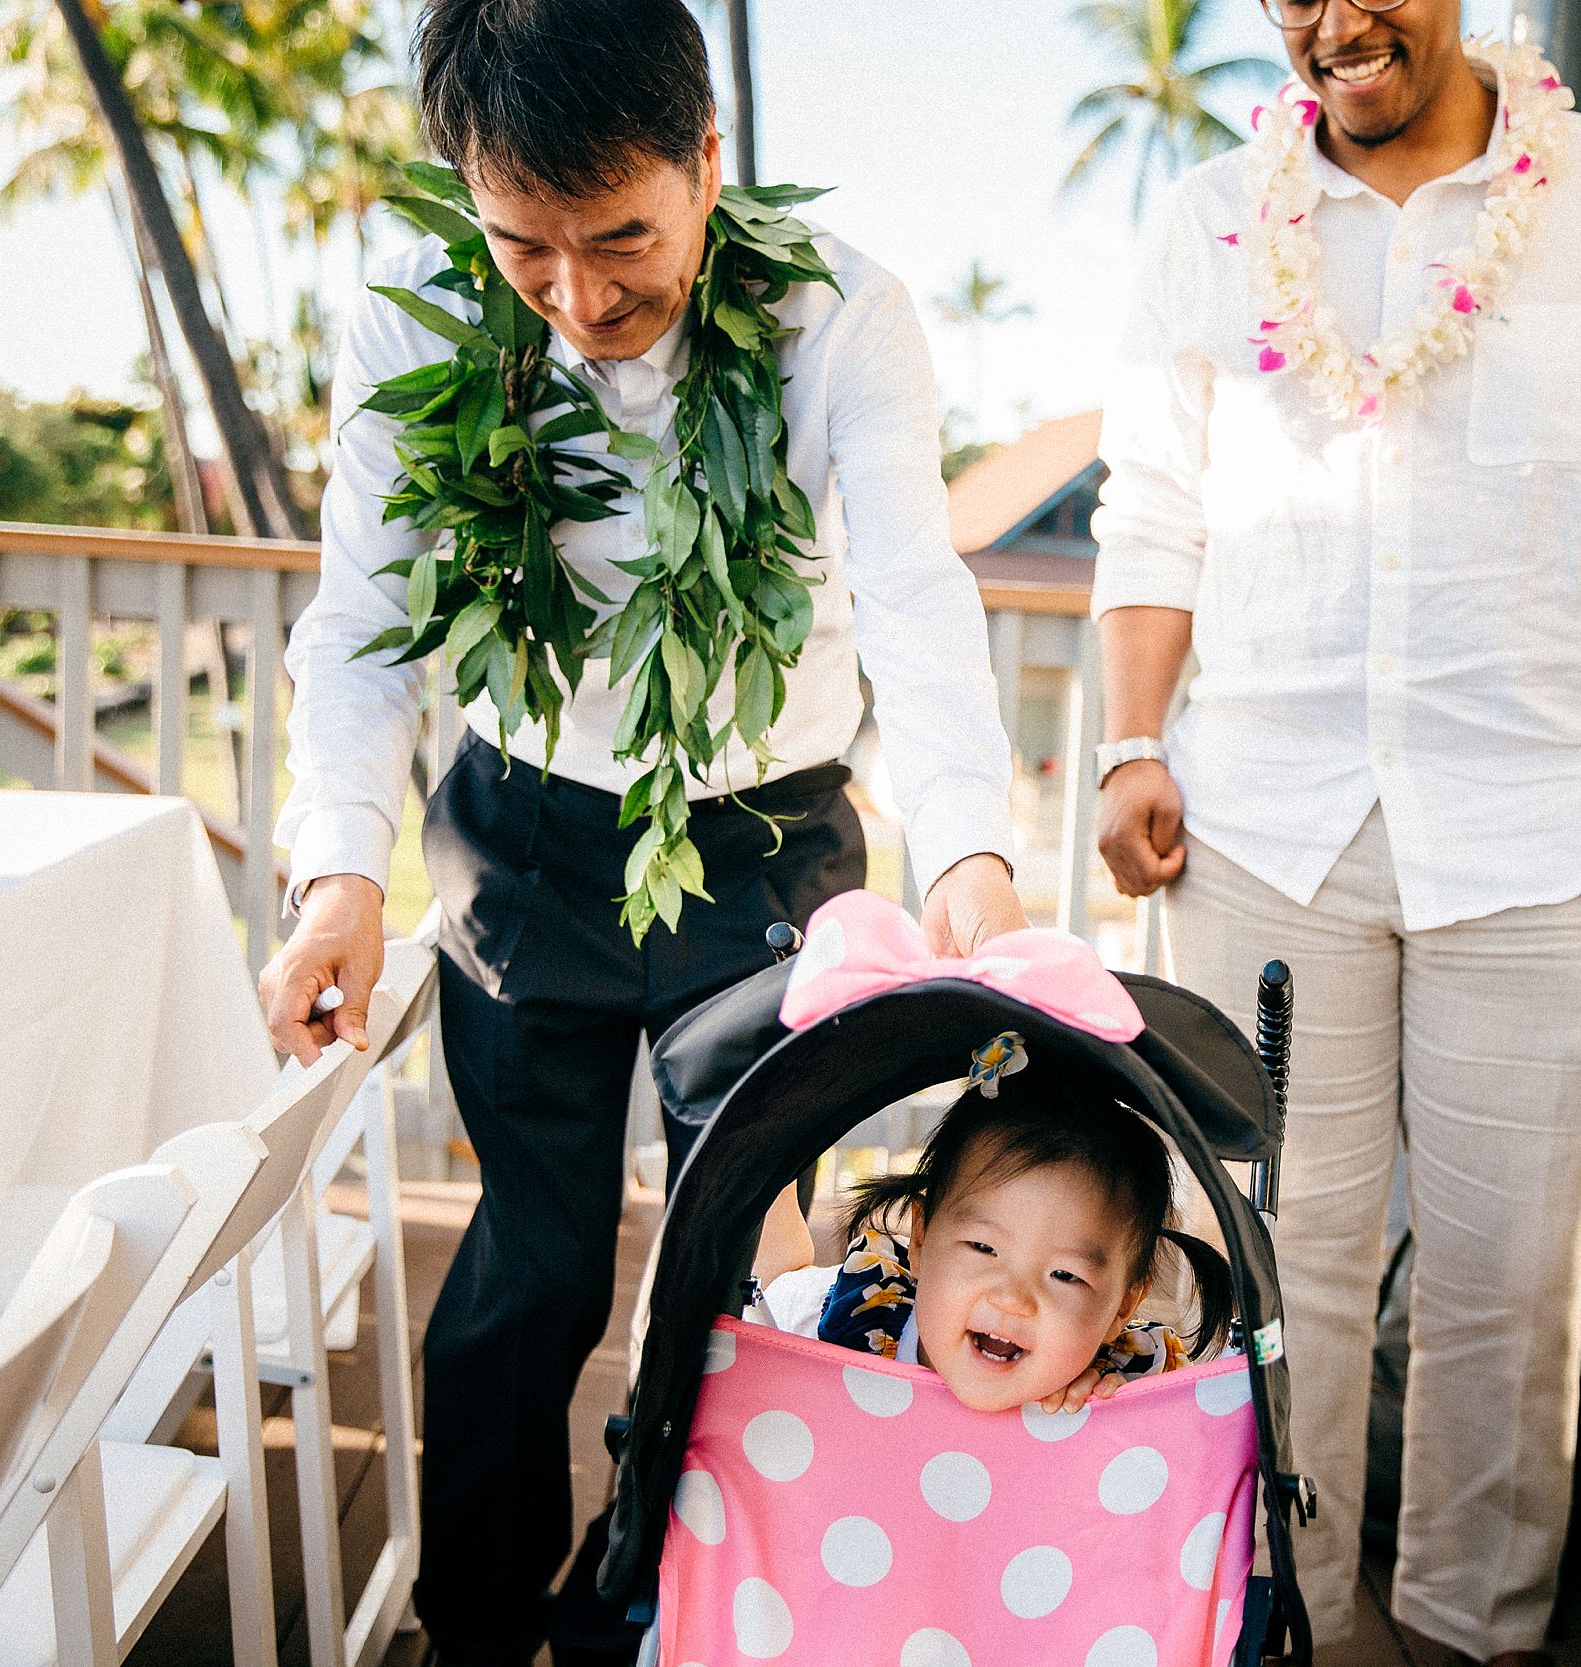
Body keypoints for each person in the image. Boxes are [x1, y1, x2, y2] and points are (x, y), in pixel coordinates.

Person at [258, 3, 1026, 1663]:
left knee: (723, 1275)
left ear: (707, 165)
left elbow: (910, 595)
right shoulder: (410, 325)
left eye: (625, 241)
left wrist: (968, 856)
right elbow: (367, 617)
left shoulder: (844, 318)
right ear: (467, 188)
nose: (585, 302)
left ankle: (659, 1616)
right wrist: (336, 870)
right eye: (528, 247)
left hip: (765, 849)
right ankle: (472, 1629)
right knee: (526, 1269)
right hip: (523, 840)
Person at [1088, 0, 1581, 1660]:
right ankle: (1275, 1625)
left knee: (1506, 1294)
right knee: (1268, 1261)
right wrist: (1130, 742)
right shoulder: (1211, 225)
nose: (1333, 18)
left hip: (1549, 832)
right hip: (1260, 826)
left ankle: (1474, 1633)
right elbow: (1155, 500)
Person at [752, 1073, 1235, 1414]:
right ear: (920, 1239)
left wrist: (1120, 1407)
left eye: (1064, 1275)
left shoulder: (1126, 1382)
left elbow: (1187, 1433)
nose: (1012, 1298)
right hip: (810, 1306)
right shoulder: (853, 1322)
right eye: (983, 1248)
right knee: (771, 1288)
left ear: (1121, 1307)